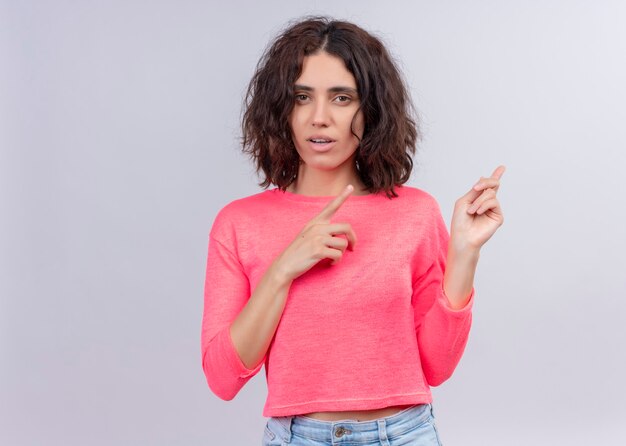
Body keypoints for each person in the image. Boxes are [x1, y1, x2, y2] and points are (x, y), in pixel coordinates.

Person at [201, 16, 505, 445]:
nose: (319, 118)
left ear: (371, 109)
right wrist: (282, 270)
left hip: (406, 434)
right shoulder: (239, 223)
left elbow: (437, 367)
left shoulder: (415, 213)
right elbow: (222, 378)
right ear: (280, 108)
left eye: (341, 98)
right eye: (302, 97)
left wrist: (465, 254)